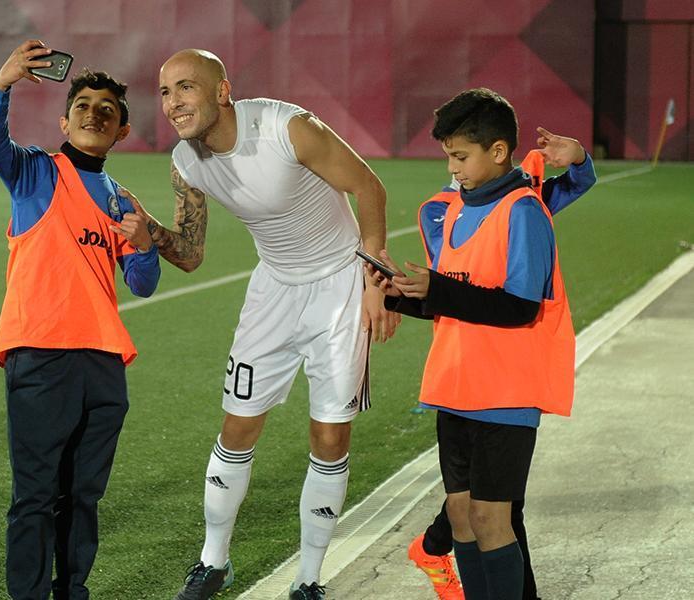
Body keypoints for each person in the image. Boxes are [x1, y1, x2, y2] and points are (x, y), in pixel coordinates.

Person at [129, 49, 397, 600]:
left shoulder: (286, 127)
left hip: (339, 285)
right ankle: (213, 562)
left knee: (329, 434)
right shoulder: (185, 161)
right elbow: (190, 253)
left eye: (186, 87)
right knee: (237, 426)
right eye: (165, 92)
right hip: (273, 289)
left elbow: (369, 186)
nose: (173, 102)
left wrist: (376, 279)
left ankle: (309, 578)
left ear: (222, 91)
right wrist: (146, 228)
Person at [369, 88, 578, 600]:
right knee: (461, 515)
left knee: (490, 518)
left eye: (460, 156)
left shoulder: (524, 211)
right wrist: (400, 294)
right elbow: (452, 302)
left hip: (506, 392)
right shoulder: (454, 210)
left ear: (499, 151)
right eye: (448, 156)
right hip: (454, 385)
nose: (452, 167)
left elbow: (519, 307)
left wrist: (439, 289)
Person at [0, 39, 160, 600]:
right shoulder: (36, 173)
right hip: (40, 353)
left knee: (83, 495)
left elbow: (142, 283)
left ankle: (72, 590)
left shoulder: (121, 200)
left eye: (107, 109)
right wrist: (2, 85)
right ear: (64, 120)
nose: (93, 114)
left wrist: (145, 243)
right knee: (35, 494)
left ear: (122, 131)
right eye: (82, 105)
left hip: (103, 362)